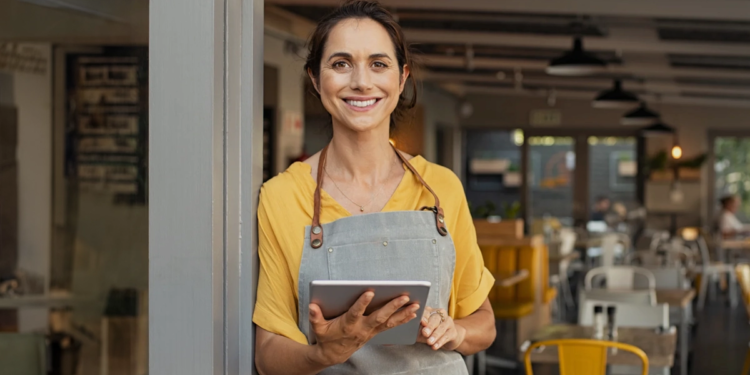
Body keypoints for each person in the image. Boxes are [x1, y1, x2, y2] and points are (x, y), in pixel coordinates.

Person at [252, 2, 496, 374]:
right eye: (340, 63)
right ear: (316, 79)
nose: (361, 82)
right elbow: (268, 352)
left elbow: (484, 324)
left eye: (378, 64)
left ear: (401, 78)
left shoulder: (440, 188)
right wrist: (323, 353)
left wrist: (454, 331)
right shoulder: (283, 196)